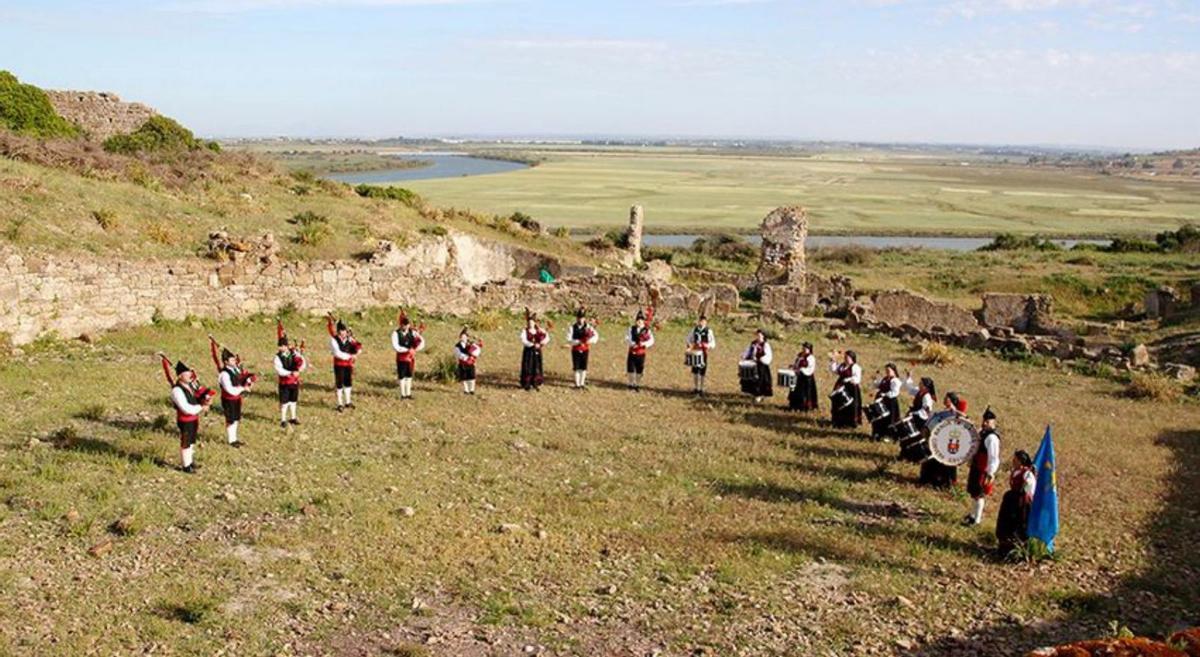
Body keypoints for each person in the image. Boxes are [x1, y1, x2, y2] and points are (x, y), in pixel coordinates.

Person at [162, 357, 212, 474]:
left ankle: (190, 462)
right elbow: (185, 408)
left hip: (194, 419)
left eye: (190, 372)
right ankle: (186, 466)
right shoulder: (177, 391)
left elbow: (198, 396)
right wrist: (201, 407)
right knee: (186, 442)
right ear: (180, 376)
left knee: (192, 441)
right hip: (185, 420)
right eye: (187, 373)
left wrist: (205, 398)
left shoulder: (190, 386)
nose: (190, 375)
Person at [918, 392, 967, 488]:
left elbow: (965, 421)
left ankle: (945, 483)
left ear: (951, 401)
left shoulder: (956, 414)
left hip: (947, 443)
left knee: (945, 464)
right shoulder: (943, 412)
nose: (944, 399)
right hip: (937, 441)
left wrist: (957, 412)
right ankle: (929, 480)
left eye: (946, 398)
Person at [211, 336, 251, 449]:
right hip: (228, 399)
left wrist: (248, 380)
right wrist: (243, 388)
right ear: (226, 362)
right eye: (232, 360)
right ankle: (231, 440)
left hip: (237, 398)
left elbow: (241, 378)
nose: (235, 361)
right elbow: (230, 390)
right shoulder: (224, 374)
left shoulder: (236, 369)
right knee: (231, 419)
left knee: (236, 418)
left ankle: (235, 438)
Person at [964, 407, 1002, 526]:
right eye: (984, 420)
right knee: (974, 493)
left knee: (979, 494)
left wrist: (990, 472)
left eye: (988, 421)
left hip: (983, 469)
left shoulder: (992, 438)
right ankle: (972, 514)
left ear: (993, 423)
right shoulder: (982, 432)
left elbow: (993, 457)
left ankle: (977, 519)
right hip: (976, 467)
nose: (985, 423)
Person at [995, 450, 1037, 557]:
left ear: (1021, 461)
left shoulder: (1027, 473)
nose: (1013, 461)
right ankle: (1004, 546)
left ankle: (1017, 548)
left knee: (1019, 523)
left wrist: (1024, 494)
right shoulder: (1015, 471)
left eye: (1015, 459)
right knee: (1006, 522)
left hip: (1021, 502)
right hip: (1011, 499)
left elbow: (1031, 489)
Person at [273, 321, 307, 428]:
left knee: (293, 400)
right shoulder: (277, 357)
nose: (281, 348)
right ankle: (283, 419)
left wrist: (299, 370)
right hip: (285, 382)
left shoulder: (294, 353)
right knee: (284, 402)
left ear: (286, 346)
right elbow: (279, 370)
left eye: (283, 346)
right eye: (280, 346)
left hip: (294, 381)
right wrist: (291, 372)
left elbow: (302, 361)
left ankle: (293, 417)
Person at [327, 314, 361, 411]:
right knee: (339, 384)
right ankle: (339, 403)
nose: (344, 333)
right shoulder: (334, 340)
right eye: (342, 331)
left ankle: (348, 401)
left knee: (348, 383)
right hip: (339, 365)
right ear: (338, 331)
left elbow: (358, 346)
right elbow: (338, 353)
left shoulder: (349, 339)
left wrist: (357, 351)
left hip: (348, 365)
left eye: (345, 331)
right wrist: (351, 356)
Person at [391, 311, 425, 400]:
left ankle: (408, 393)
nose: (405, 326)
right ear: (401, 325)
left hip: (410, 358)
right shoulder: (396, 333)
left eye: (407, 325)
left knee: (409, 376)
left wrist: (415, 349)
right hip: (401, 358)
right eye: (403, 325)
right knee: (402, 376)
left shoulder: (412, 332)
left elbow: (421, 341)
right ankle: (403, 394)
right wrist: (407, 350)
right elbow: (396, 346)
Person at [829, 349, 863, 428]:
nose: (846, 359)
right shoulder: (842, 365)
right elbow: (834, 370)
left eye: (848, 357)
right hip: (840, 385)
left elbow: (857, 379)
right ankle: (838, 421)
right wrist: (833, 361)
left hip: (851, 388)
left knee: (850, 405)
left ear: (852, 358)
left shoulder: (855, 367)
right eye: (845, 357)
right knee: (838, 403)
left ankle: (850, 423)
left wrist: (849, 380)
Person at [566, 309, 599, 389]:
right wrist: (578, 342)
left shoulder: (588, 327)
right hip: (576, 349)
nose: (580, 319)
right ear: (576, 318)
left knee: (583, 367)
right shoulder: (572, 327)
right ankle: (577, 384)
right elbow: (568, 339)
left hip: (585, 349)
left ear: (584, 318)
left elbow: (595, 337)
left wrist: (588, 341)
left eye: (582, 318)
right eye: (579, 318)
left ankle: (582, 383)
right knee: (576, 367)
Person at [870, 363, 903, 441]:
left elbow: (894, 393)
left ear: (894, 371)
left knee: (889, 419)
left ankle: (889, 436)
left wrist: (884, 394)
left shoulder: (895, 380)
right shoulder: (885, 378)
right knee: (879, 418)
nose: (887, 372)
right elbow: (879, 386)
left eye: (889, 371)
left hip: (890, 403)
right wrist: (875, 381)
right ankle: (879, 434)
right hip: (882, 401)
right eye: (886, 370)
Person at [740, 329, 774, 403]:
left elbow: (768, 355)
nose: (758, 337)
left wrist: (759, 359)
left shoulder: (765, 345)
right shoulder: (753, 343)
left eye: (759, 335)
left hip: (761, 366)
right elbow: (748, 351)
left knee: (760, 381)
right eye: (757, 335)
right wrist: (744, 356)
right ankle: (753, 393)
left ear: (763, 336)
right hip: (752, 364)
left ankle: (759, 395)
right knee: (751, 380)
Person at [686, 315, 717, 396]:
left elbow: (713, 343)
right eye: (700, 321)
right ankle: (696, 388)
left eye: (703, 321)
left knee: (702, 371)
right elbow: (688, 339)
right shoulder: (694, 330)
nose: (701, 323)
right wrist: (690, 345)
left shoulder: (709, 331)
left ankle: (702, 388)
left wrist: (707, 346)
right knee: (695, 371)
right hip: (695, 352)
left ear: (706, 322)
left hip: (703, 353)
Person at [626, 309, 656, 391]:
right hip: (632, 352)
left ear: (643, 322)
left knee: (639, 369)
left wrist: (643, 344)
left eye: (641, 321)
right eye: (638, 320)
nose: (639, 322)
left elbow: (651, 340)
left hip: (641, 353)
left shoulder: (647, 331)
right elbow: (627, 337)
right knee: (630, 368)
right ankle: (631, 383)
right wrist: (632, 344)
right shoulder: (631, 329)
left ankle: (637, 384)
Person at [519, 310, 550, 391]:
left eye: (532, 322)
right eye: (529, 323)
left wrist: (540, 343)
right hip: (529, 351)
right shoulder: (525, 331)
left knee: (536, 366)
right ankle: (527, 383)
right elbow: (523, 340)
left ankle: (535, 382)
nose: (530, 324)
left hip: (537, 351)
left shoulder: (539, 330)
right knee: (528, 366)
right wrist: (532, 344)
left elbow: (546, 337)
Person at [787, 342, 819, 412]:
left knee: (805, 392)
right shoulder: (800, 356)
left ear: (809, 349)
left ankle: (805, 407)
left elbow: (810, 368)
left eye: (806, 348)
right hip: (798, 377)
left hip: (806, 378)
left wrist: (801, 370)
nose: (804, 349)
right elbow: (797, 364)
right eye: (803, 348)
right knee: (795, 391)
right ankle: (795, 406)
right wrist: (793, 366)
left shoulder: (811, 358)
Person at [455, 327, 482, 395]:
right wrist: (466, 357)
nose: (463, 338)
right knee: (464, 377)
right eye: (462, 337)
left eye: (465, 337)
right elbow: (458, 354)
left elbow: (477, 349)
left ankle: (472, 389)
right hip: (463, 363)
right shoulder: (458, 346)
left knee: (471, 377)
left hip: (470, 363)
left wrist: (473, 355)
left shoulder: (471, 344)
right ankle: (466, 390)